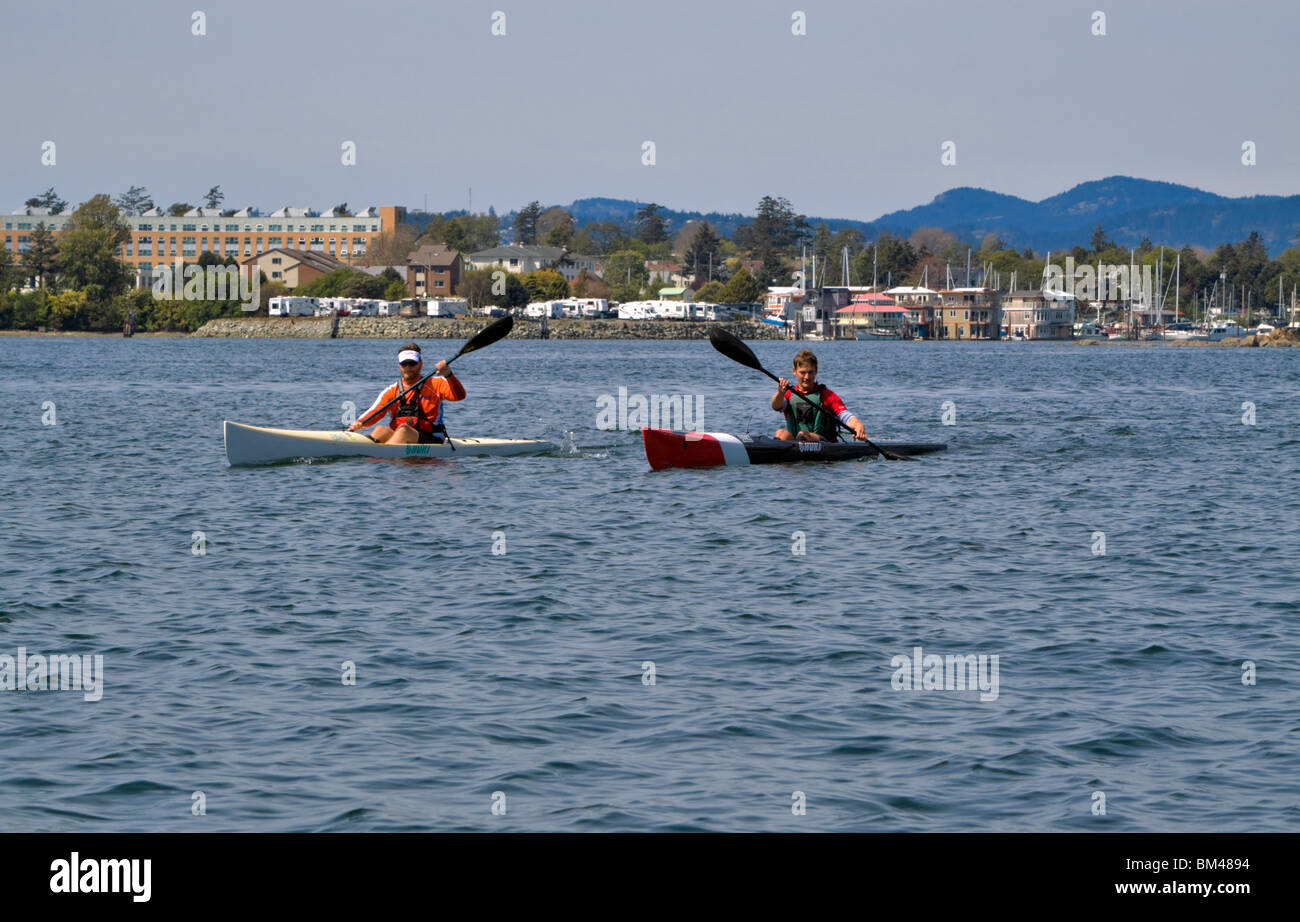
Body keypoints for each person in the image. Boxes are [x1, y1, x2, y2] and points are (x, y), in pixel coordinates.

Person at [348, 342, 465, 444]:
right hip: (401, 436)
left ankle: (386, 457)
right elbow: (375, 411)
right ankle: (372, 455)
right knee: (380, 430)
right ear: (399, 365)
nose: (408, 368)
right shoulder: (392, 390)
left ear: (420, 363)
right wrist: (359, 423)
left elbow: (459, 396)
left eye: (412, 363)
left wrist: (448, 375)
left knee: (404, 430)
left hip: (432, 438)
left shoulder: (437, 384)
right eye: (404, 364)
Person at [771, 348, 869, 443]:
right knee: (780, 434)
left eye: (810, 372)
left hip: (824, 443)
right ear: (794, 371)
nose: (807, 377)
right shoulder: (788, 394)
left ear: (816, 371)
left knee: (803, 435)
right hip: (797, 442)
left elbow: (845, 416)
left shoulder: (827, 395)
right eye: (803, 372)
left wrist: (857, 425)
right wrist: (780, 393)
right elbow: (776, 406)